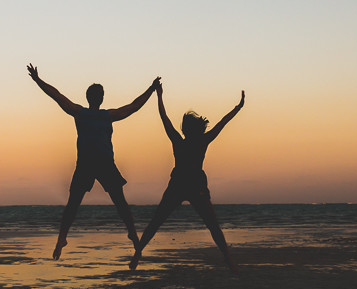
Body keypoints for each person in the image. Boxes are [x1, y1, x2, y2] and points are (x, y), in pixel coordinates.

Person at [27, 63, 160, 260]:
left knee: (120, 202)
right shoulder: (81, 113)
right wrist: (38, 80)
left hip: (105, 163)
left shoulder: (106, 115)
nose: (101, 96)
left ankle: (132, 233)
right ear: (92, 97)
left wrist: (150, 89)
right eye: (99, 93)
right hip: (87, 164)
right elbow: (57, 96)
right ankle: (62, 238)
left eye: (101, 93)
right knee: (74, 203)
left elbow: (133, 107)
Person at [130, 83, 244, 272]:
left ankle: (137, 254)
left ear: (185, 129)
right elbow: (222, 122)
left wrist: (159, 96)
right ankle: (228, 259)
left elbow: (164, 118)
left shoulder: (184, 140)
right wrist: (237, 108)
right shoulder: (200, 140)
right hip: (186, 184)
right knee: (211, 225)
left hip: (185, 184)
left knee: (159, 222)